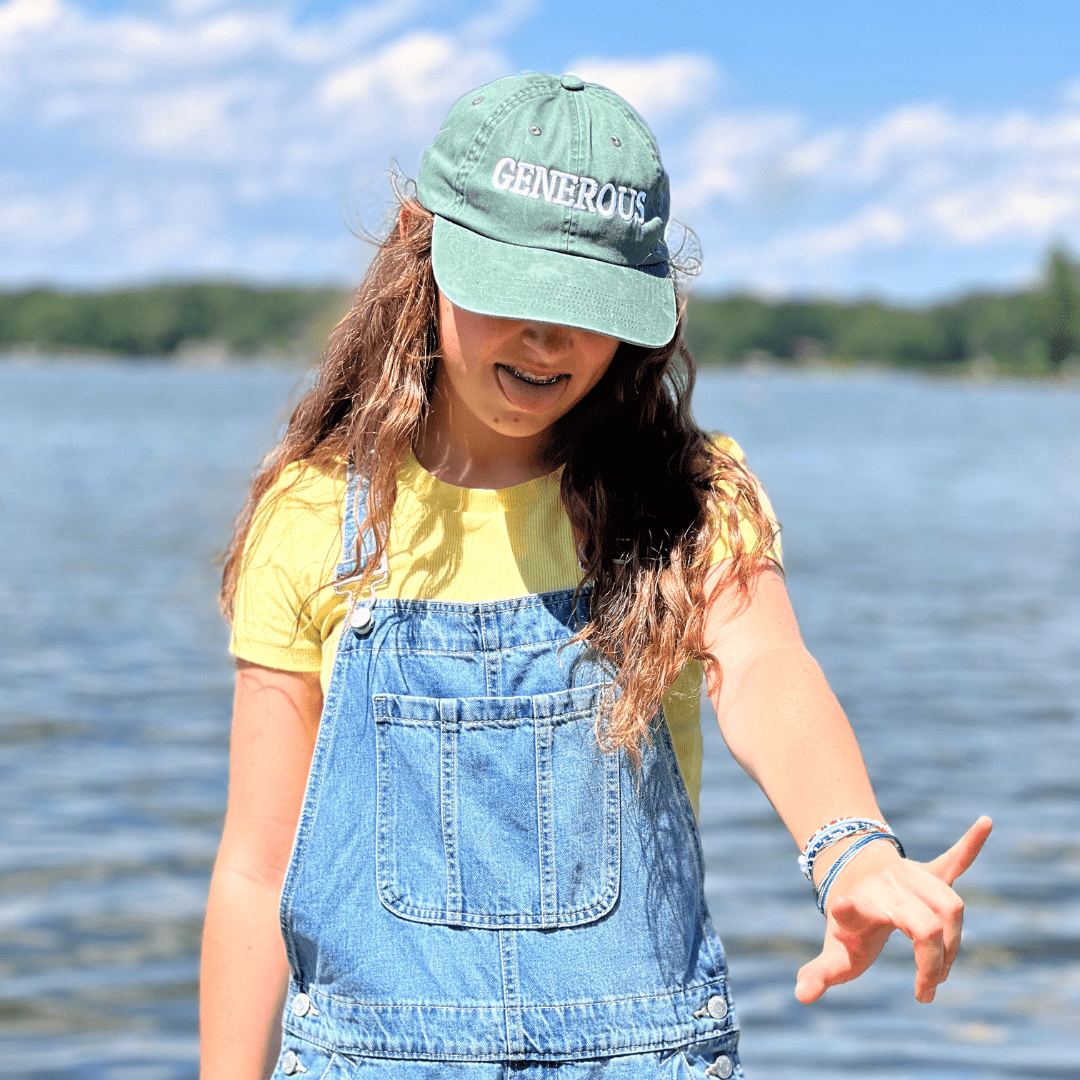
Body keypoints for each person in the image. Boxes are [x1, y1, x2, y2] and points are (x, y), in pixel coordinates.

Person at [200, 73, 992, 1080]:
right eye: (518, 294)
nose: (549, 339)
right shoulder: (316, 519)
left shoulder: (686, 498)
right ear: (421, 242)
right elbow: (257, 865)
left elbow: (765, 670)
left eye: (585, 305)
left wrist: (853, 849)